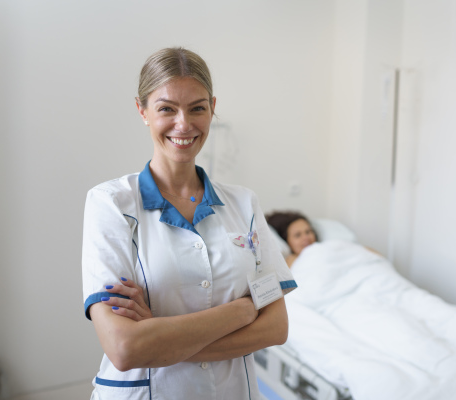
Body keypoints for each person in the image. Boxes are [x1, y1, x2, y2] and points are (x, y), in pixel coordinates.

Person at [82, 47, 297, 400]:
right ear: (142, 111)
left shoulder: (244, 204)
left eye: (197, 107)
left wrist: (157, 336)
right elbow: (123, 348)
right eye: (167, 108)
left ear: (212, 108)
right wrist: (243, 310)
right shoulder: (111, 203)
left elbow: (276, 328)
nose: (184, 124)